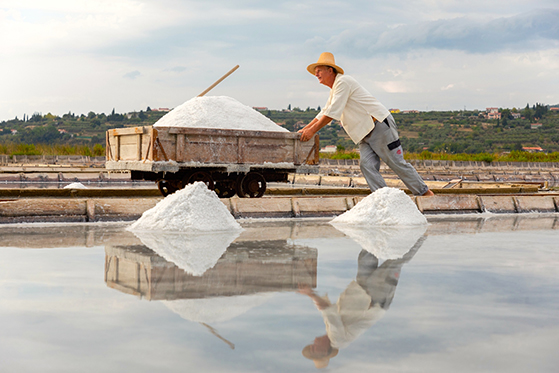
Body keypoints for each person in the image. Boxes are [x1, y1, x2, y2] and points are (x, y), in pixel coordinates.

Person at [299, 52, 434, 196]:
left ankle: (425, 194)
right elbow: (324, 112)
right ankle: (384, 198)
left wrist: (312, 131)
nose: (316, 74)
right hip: (364, 133)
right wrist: (305, 129)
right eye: (315, 72)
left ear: (330, 70)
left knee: (396, 163)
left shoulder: (343, 82)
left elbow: (332, 113)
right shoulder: (335, 89)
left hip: (378, 126)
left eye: (319, 70)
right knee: (367, 165)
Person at [298, 234, 426, 369]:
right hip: (375, 299)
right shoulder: (337, 340)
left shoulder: (332, 335)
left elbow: (327, 309)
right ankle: (420, 235)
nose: (313, 343)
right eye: (314, 348)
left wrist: (310, 295)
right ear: (324, 351)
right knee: (395, 261)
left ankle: (380, 227)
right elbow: (329, 313)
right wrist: (311, 294)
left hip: (361, 290)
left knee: (366, 254)